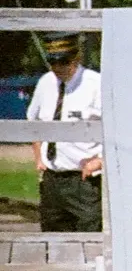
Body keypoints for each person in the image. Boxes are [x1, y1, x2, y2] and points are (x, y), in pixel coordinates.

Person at [27, 34, 103, 232]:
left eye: (64, 62)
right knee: (53, 243)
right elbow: (33, 121)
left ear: (76, 58)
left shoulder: (96, 84)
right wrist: (39, 158)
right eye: (53, 62)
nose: (58, 68)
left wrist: (100, 160)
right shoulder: (45, 83)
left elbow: (117, 129)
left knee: (90, 240)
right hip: (52, 180)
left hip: (84, 181)